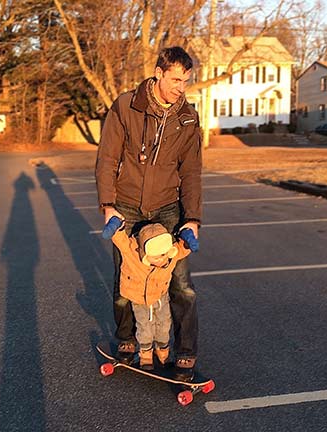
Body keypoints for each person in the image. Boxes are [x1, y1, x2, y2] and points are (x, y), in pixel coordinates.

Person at [95, 46, 202, 380]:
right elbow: (108, 158)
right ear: (158, 73)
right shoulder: (126, 106)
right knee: (126, 281)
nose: (180, 87)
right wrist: (107, 204)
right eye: (174, 79)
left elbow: (192, 172)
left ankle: (184, 351)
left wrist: (193, 219)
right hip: (126, 205)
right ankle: (127, 340)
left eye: (185, 80)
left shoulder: (188, 117)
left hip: (168, 207)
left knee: (181, 285)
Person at [108, 222, 191, 370]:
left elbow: (181, 249)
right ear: (144, 252)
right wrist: (116, 227)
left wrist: (188, 241)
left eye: (164, 255)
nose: (161, 260)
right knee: (145, 327)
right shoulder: (132, 253)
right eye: (156, 257)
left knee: (164, 325)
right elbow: (120, 241)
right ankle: (145, 354)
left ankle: (163, 351)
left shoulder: (169, 255)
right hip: (140, 299)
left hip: (161, 296)